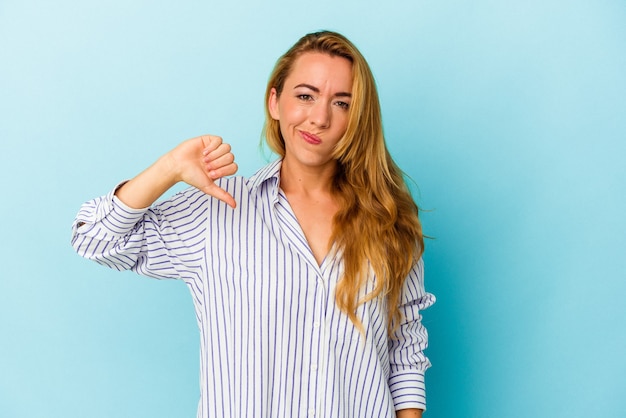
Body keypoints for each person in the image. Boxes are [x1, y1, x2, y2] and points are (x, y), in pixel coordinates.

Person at [72, 30, 435, 418]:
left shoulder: (388, 220)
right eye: (305, 96)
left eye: (341, 103)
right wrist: (169, 169)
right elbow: (94, 239)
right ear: (275, 102)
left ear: (357, 117)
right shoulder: (218, 209)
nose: (320, 117)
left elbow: (404, 347)